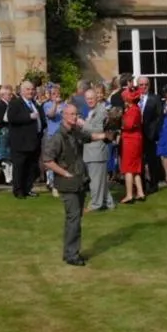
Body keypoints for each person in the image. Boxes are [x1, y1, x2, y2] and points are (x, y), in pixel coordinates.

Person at [41, 103, 114, 266]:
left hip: (79, 181)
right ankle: (72, 255)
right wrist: (64, 173)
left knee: (75, 218)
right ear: (64, 115)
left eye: (76, 114)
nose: (75, 117)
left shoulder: (75, 132)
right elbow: (47, 160)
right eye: (72, 114)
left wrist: (104, 136)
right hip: (68, 184)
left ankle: (70, 252)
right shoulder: (58, 136)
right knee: (73, 219)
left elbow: (89, 137)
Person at [6, 80, 47, 199]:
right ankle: (18, 191)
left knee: (32, 167)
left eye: (32, 89)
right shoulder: (15, 103)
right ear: (21, 91)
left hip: (34, 141)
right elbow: (12, 118)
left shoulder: (35, 104)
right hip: (20, 142)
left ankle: (28, 188)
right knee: (20, 167)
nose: (31, 91)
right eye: (28, 89)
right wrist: (29, 116)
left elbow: (41, 119)